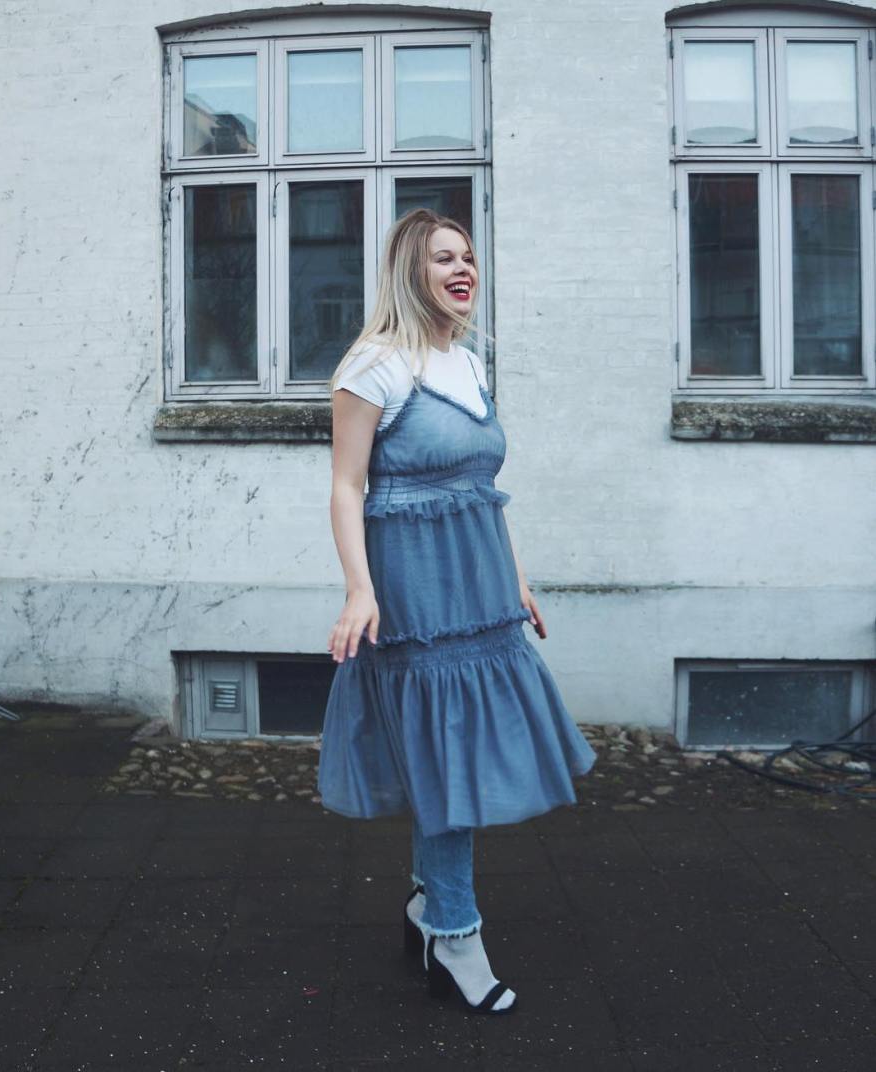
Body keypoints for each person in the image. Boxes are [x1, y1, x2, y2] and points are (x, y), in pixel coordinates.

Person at [317, 207, 597, 1015]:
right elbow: (346, 486)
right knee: (447, 761)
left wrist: (513, 577)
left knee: (460, 754)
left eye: (468, 256)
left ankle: (430, 908)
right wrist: (359, 588)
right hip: (414, 592)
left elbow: (483, 489)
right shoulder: (374, 365)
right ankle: (453, 929)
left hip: (478, 588)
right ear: (412, 270)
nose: (461, 268)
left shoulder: (467, 365)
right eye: (444, 257)